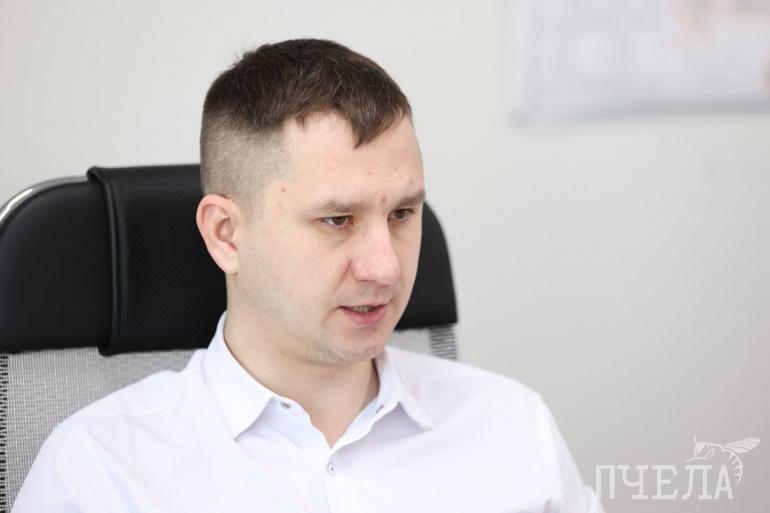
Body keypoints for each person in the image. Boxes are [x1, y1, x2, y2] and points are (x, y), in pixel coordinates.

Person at [12, 39, 603, 512]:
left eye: (402, 213)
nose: (386, 267)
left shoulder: (512, 426)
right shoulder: (101, 473)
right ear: (226, 234)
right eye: (336, 220)